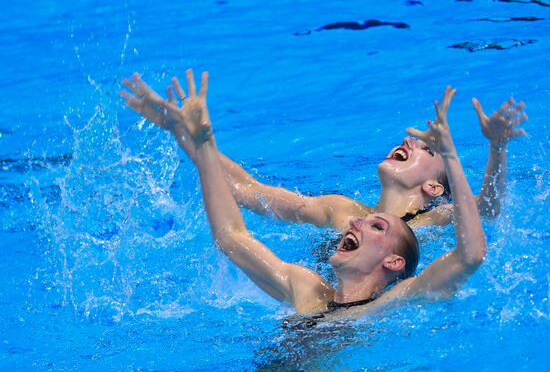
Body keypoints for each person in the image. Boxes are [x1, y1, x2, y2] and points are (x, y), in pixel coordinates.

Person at [120, 71, 486, 317]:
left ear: (394, 263)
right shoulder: (308, 288)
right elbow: (232, 236)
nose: (355, 221)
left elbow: (470, 254)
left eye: (375, 227)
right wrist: (197, 138)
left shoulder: (390, 304)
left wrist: (457, 156)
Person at [120, 73, 527, 234]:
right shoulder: (338, 210)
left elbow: (487, 209)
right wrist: (183, 133)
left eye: (426, 148)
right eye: (411, 139)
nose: (409, 142)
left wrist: (497, 147)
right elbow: (246, 189)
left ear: (436, 185)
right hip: (313, 313)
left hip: (366, 328)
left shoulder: (435, 217)